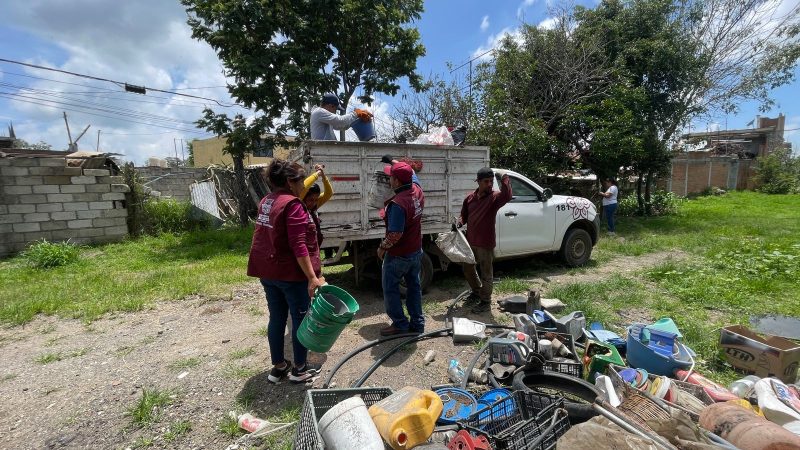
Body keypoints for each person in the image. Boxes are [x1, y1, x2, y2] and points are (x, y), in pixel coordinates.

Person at [247, 159, 325, 384]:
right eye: (302, 179)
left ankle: (279, 366)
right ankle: (299, 370)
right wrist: (312, 277)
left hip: (268, 271)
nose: (304, 184)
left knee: (277, 318)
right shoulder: (293, 205)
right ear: (291, 182)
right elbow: (299, 245)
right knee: (300, 319)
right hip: (290, 275)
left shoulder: (267, 201)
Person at [377, 161, 426, 336]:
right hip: (416, 251)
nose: (389, 179)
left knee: (390, 288)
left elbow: (395, 234)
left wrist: (382, 248)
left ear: (396, 181)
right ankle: (418, 323)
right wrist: (397, 163)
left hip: (399, 255)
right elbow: (413, 176)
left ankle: (400, 324)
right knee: (414, 287)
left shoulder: (398, 204)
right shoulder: (417, 191)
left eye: (391, 176)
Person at [458, 167, 512, 314]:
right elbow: (464, 216)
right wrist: (459, 223)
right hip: (470, 241)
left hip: (486, 243)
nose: (489, 184)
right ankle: (476, 292)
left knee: (486, 273)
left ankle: (485, 302)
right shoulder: (469, 198)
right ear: (479, 182)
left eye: (491, 181)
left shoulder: (495, 198)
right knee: (467, 268)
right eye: (486, 181)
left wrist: (504, 178)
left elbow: (507, 196)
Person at [300, 163, 333, 248]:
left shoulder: (313, 206)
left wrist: (323, 176)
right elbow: (304, 187)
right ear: (303, 198)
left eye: (316, 200)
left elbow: (329, 193)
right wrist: (317, 174)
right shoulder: (299, 205)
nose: (314, 203)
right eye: (310, 200)